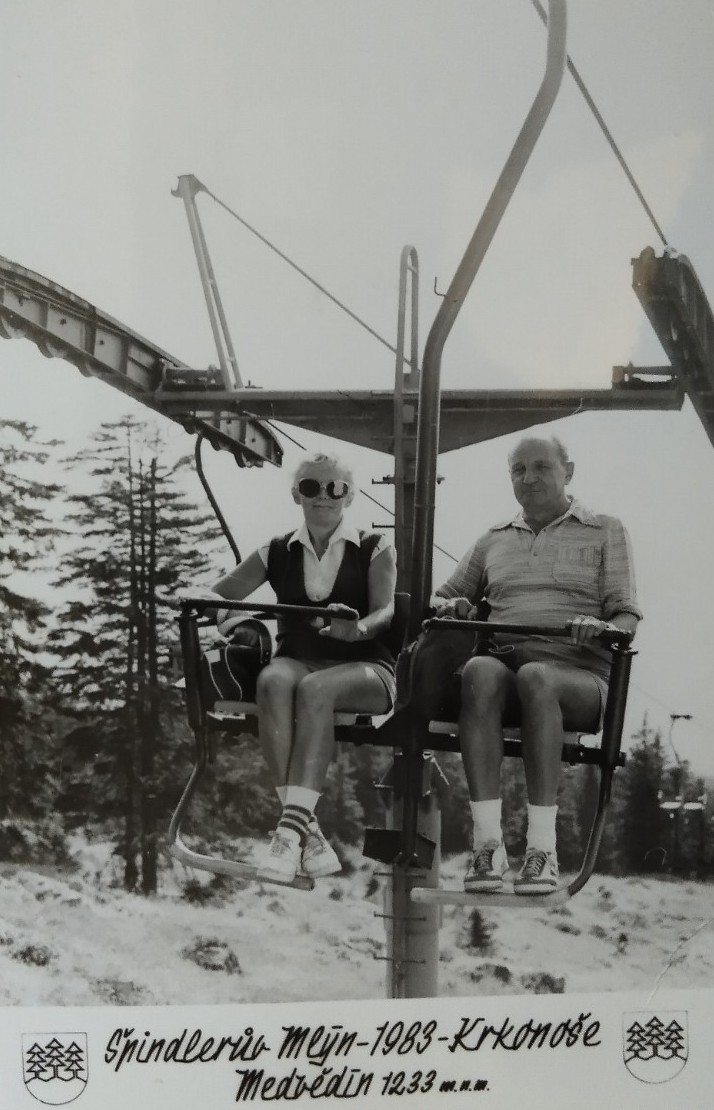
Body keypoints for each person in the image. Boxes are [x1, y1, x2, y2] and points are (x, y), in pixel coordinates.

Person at [432, 435, 641, 895]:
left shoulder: (604, 530)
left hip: (579, 679)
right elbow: (443, 597)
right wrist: (453, 606)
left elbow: (626, 616)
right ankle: (487, 844)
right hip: (509, 668)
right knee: (479, 671)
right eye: (519, 469)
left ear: (569, 471)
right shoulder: (494, 539)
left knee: (537, 676)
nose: (529, 478)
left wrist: (599, 625)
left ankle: (542, 848)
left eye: (542, 467)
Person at [206, 451, 397, 885]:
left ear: (349, 496)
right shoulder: (277, 551)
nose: (323, 496)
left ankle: (288, 833)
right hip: (299, 660)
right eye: (312, 487)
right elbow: (215, 597)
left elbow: (385, 612)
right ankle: (303, 831)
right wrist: (242, 624)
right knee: (272, 680)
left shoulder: (373, 547)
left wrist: (356, 629)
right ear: (297, 494)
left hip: (366, 667)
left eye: (335, 488)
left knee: (315, 689)